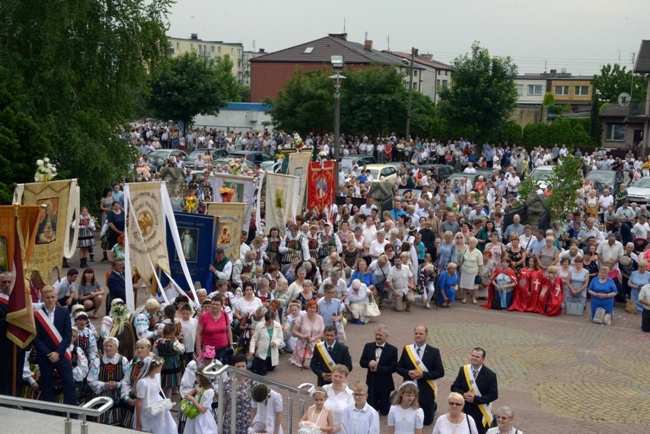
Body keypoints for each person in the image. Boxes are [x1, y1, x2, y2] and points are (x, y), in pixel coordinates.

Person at [33, 286, 76, 405]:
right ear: (43, 298)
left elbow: (68, 334)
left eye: (52, 297)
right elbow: (35, 338)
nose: (50, 300)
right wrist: (48, 353)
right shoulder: (37, 315)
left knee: (69, 385)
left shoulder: (64, 312)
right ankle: (49, 415)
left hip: (61, 355)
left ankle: (72, 414)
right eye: (47, 297)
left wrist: (58, 353)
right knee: (47, 387)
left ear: (56, 297)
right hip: (45, 357)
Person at [396, 325, 445, 426]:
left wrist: (423, 375)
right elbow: (399, 368)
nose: (418, 336)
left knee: (426, 422)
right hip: (408, 389)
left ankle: (433, 406)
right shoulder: (407, 349)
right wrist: (408, 372)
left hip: (426, 391)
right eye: (416, 333)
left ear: (426, 335)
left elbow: (440, 372)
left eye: (421, 333)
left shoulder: (434, 352)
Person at [451, 348, 498, 434]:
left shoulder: (490, 375)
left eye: (477, 356)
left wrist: (475, 399)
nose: (474, 358)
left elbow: (493, 395)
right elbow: (454, 387)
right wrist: (463, 394)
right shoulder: (464, 370)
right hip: (464, 409)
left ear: (483, 359)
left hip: (480, 412)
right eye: (473, 355)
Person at [88, 337, 129, 425]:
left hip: (118, 394)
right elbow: (91, 380)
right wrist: (103, 384)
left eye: (111, 346)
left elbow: (128, 379)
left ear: (116, 348)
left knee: (118, 421)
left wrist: (118, 384)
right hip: (101, 394)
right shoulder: (98, 361)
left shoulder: (123, 361)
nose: (108, 348)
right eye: (106, 346)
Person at [359, 324, 398, 416]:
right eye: (376, 335)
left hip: (385, 383)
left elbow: (393, 368)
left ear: (386, 336)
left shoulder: (392, 349)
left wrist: (378, 369)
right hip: (371, 382)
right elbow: (362, 362)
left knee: (384, 411)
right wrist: (369, 363)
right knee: (372, 409)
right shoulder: (368, 346)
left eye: (380, 335)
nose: (378, 337)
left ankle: (393, 399)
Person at [135, 355, 176, 434]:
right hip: (147, 407)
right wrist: (138, 418)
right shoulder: (143, 382)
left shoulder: (156, 377)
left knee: (161, 427)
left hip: (159, 406)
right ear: (156, 367)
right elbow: (139, 401)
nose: (161, 368)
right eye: (160, 366)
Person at [222, 354, 257, 434]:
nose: (241, 369)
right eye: (238, 366)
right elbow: (224, 403)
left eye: (243, 366)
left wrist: (252, 425)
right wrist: (219, 420)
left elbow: (255, 407)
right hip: (230, 421)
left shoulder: (252, 382)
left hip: (247, 422)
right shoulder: (227, 382)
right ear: (233, 367)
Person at [196, 294, 235, 365]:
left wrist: (231, 345)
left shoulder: (224, 314)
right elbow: (198, 333)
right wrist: (198, 349)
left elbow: (229, 330)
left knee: (223, 369)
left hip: (223, 348)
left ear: (221, 305)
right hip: (208, 349)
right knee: (210, 369)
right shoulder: (204, 316)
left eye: (217, 304)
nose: (214, 306)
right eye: (213, 304)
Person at [289, 299, 324, 369]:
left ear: (316, 309)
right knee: (305, 362)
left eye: (314, 308)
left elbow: (322, 333)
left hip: (315, 342)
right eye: (310, 307)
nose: (312, 309)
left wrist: (313, 338)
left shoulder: (320, 318)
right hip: (303, 342)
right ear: (307, 308)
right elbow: (294, 330)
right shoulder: (301, 318)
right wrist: (303, 336)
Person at [248, 310, 284, 375]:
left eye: (269, 321)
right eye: (266, 320)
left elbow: (280, 337)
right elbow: (254, 339)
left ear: (273, 319)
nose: (267, 323)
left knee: (270, 369)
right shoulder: (259, 326)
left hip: (272, 353)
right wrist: (252, 350)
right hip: (262, 353)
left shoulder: (278, 326)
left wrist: (276, 342)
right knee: (261, 371)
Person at [182, 368, 218, 434]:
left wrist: (192, 399)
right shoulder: (199, 386)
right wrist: (195, 389)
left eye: (196, 377)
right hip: (193, 417)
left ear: (199, 377)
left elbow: (203, 410)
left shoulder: (209, 391)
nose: (195, 379)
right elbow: (186, 396)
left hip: (202, 419)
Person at [323, 364, 354, 434]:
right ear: (331, 375)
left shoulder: (350, 395)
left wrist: (334, 429)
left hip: (340, 431)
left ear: (345, 378)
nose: (337, 379)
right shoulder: (325, 389)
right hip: (323, 429)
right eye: (335, 376)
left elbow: (349, 417)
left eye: (340, 377)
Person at [460, 238, 483, 304]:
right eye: (470, 242)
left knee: (474, 286)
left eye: (473, 243)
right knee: (464, 285)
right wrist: (460, 269)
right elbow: (461, 261)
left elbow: (480, 264)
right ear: (468, 243)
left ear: (476, 244)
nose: (472, 244)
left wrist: (479, 272)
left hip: (474, 271)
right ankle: (464, 298)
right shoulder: (464, 250)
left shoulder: (478, 252)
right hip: (465, 270)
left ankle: (473, 298)